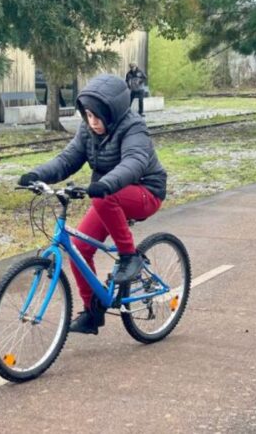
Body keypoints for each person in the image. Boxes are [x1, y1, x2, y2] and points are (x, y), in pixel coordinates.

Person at [18, 74, 167, 335]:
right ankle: (92, 312)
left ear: (114, 112)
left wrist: (105, 184)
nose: (93, 121)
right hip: (107, 195)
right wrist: (37, 174)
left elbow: (134, 162)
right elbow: (67, 160)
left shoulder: (134, 127)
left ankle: (129, 257)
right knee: (79, 249)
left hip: (146, 192)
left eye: (98, 116)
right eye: (88, 114)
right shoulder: (87, 130)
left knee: (102, 198)